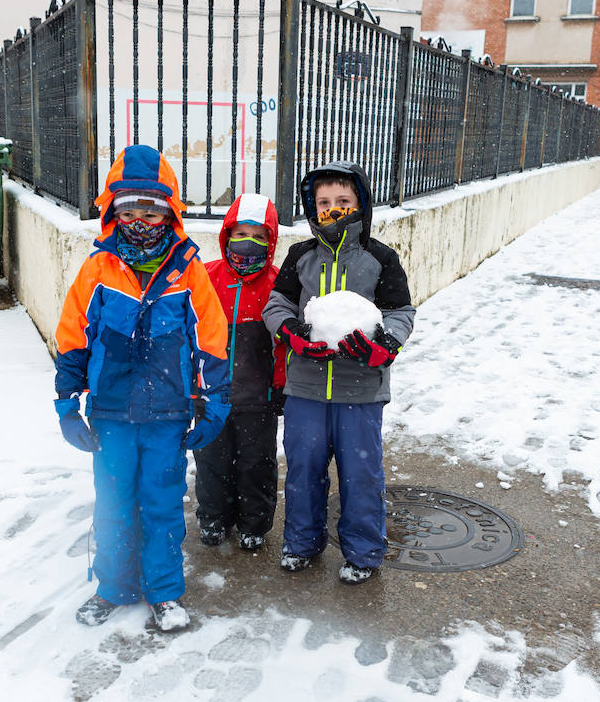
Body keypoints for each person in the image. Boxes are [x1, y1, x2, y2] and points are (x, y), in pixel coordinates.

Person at [53, 145, 230, 631]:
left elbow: (211, 339)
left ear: (169, 213)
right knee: (112, 505)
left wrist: (214, 400)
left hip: (168, 415)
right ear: (112, 213)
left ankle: (164, 592)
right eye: (129, 210)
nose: (141, 220)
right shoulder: (98, 270)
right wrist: (68, 403)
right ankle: (113, 587)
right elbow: (73, 337)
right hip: (110, 414)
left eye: (152, 210)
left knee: (161, 506)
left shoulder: (188, 271)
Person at [261, 162, 415, 585]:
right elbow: (276, 306)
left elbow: (400, 312)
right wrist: (292, 334)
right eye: (323, 203)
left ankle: (363, 551)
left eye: (342, 202)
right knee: (303, 470)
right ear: (312, 208)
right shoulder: (300, 257)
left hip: (361, 391)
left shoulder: (379, 259)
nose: (332, 210)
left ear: (360, 205)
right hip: (306, 389)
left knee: (360, 474)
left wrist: (383, 345)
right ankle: (302, 543)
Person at [193, 193, 287, 552]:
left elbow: (282, 344)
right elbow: (190, 334)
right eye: (241, 233)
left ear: (271, 241)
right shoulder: (206, 277)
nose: (249, 243)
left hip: (256, 398)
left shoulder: (277, 284)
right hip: (211, 396)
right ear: (227, 234)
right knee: (211, 461)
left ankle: (254, 523)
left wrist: (279, 385)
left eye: (259, 236)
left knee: (255, 464)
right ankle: (213, 517)